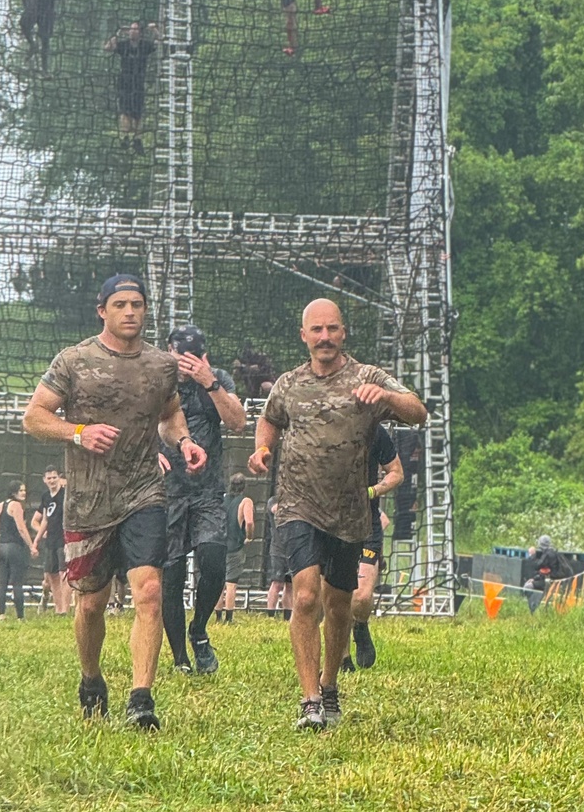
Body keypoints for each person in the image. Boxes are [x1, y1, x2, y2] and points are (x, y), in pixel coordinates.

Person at [22, 273, 207, 730]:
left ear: (146, 310)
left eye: (137, 304)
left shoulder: (162, 366)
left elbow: (169, 414)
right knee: (90, 603)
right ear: (101, 310)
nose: (130, 311)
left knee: (149, 591)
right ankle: (91, 678)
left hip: (145, 491)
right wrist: (79, 432)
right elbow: (34, 417)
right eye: (120, 304)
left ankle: (141, 698)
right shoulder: (74, 360)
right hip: (87, 499)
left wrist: (183, 441)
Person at [248, 298, 427, 731]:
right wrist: (261, 450)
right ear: (304, 336)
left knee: (340, 602)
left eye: (332, 329)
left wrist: (385, 396)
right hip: (297, 504)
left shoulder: (367, 376)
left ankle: (329, 685)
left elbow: (418, 412)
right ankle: (309, 700)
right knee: (306, 595)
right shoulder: (289, 384)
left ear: (343, 333)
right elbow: (269, 421)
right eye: (316, 330)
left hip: (350, 510)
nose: (324, 337)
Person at [159, 324, 245, 675]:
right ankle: (179, 657)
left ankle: (199, 630)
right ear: (168, 351)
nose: (186, 363)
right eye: (181, 355)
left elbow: (238, 421)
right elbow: (137, 422)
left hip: (208, 490)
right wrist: (151, 451)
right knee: (171, 575)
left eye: (193, 356)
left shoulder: (217, 378)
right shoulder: (157, 379)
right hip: (167, 491)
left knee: (214, 563)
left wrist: (209, 380)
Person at [344, 426, 403, 671]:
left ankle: (361, 624)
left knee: (362, 596)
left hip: (368, 523)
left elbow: (396, 473)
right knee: (337, 596)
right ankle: (343, 657)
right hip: (333, 522)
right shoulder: (326, 428)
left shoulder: (376, 432)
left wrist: (373, 491)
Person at [104, 21, 160, 151]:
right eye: (130, 29)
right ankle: (124, 137)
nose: (132, 31)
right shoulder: (123, 45)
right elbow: (107, 48)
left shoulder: (144, 46)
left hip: (139, 83)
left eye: (135, 29)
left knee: (138, 113)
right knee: (125, 111)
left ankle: (137, 139)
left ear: (140, 33)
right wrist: (117, 33)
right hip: (125, 83)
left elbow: (160, 42)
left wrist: (154, 30)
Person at [0, 480, 35, 620]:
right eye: (21, 490)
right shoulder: (16, 506)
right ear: (14, 492)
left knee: (2, 582)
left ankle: (1, 614)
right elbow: (21, 528)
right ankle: (20, 616)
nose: (24, 493)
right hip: (14, 547)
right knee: (17, 582)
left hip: (1, 547)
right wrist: (31, 545)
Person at [31, 466, 71, 615]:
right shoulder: (46, 497)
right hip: (51, 539)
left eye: (54, 477)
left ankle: (65, 609)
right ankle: (58, 607)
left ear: (59, 478)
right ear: (44, 480)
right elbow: (45, 520)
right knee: (51, 574)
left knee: (63, 573)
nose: (52, 480)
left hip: (64, 538)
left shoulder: (65, 494)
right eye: (49, 478)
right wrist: (36, 541)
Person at [216, 473, 255, 624]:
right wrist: (249, 537)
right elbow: (250, 522)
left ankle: (217, 616)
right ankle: (229, 617)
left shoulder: (222, 499)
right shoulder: (245, 501)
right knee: (231, 582)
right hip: (234, 546)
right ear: (244, 486)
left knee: (219, 582)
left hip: (220, 544)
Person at [19, 0, 65, 73]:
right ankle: (32, 44)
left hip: (47, 11)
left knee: (45, 40)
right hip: (34, 8)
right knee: (24, 25)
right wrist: (27, 4)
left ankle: (44, 69)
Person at [523, 534, 573, 613]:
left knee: (527, 586)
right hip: (552, 581)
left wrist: (532, 555)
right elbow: (544, 571)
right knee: (531, 583)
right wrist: (535, 579)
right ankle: (537, 607)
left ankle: (533, 609)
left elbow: (537, 565)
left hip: (551, 582)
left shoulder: (548, 554)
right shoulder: (553, 553)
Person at [265, 498, 294, 619]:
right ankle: (270, 615)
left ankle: (287, 616)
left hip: (292, 549)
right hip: (278, 549)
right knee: (276, 583)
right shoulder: (273, 500)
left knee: (290, 585)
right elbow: (274, 509)